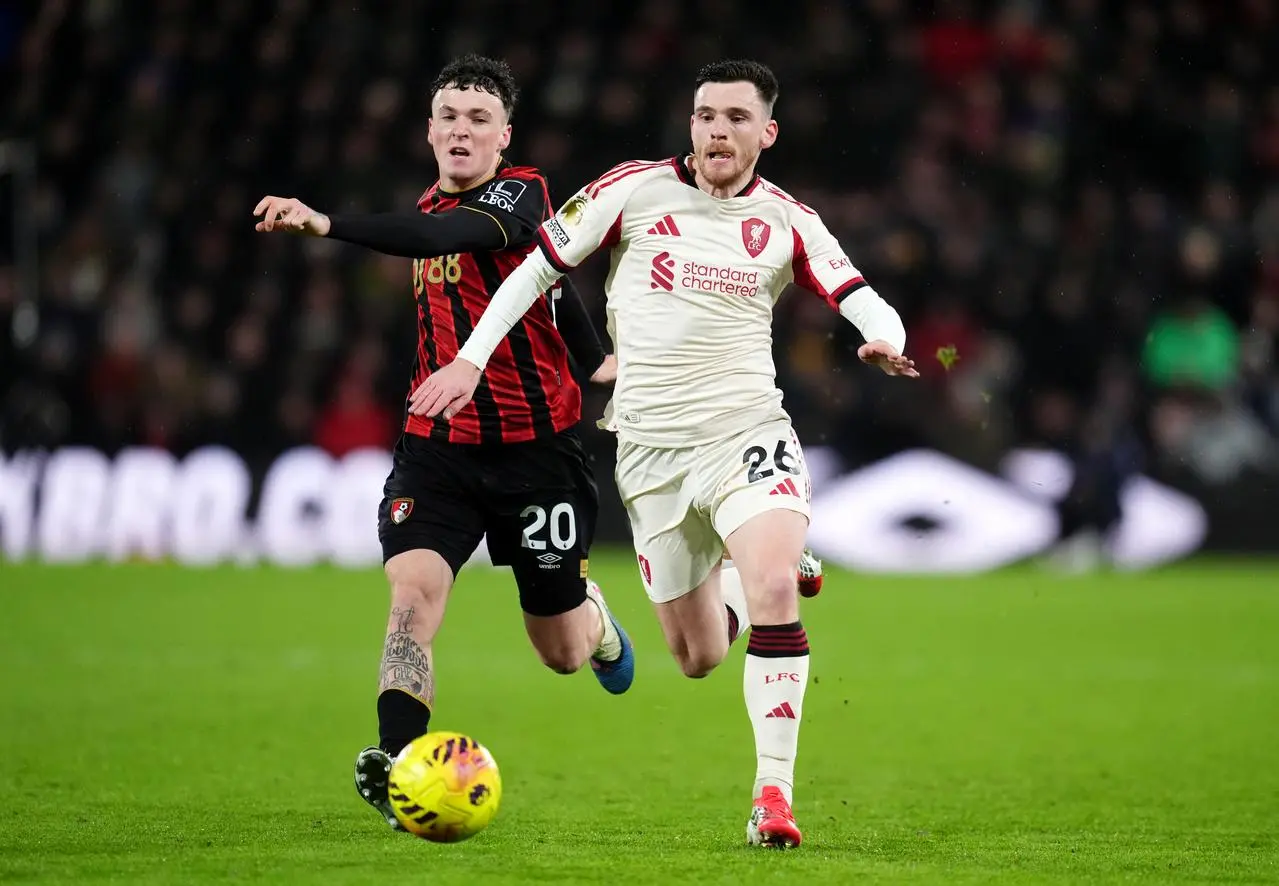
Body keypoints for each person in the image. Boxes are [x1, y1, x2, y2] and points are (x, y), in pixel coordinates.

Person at [414, 59, 918, 848]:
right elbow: (532, 272)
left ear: (766, 133)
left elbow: (858, 293)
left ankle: (772, 797)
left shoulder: (787, 220)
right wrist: (472, 359)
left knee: (774, 588)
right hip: (649, 452)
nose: (717, 130)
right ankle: (758, 579)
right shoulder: (633, 190)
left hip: (746, 430)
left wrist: (884, 338)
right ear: (690, 123)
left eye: (736, 118)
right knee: (696, 655)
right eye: (705, 115)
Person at [251, 54, 635, 831]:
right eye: (449, 118)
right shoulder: (427, 208)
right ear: (429, 131)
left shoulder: (521, 195)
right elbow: (546, 285)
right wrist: (594, 356)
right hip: (438, 450)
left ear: (504, 136)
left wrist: (326, 223)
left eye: (479, 120)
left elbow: (457, 240)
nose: (462, 131)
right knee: (411, 599)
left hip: (536, 455)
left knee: (559, 650)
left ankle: (592, 618)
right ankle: (400, 765)